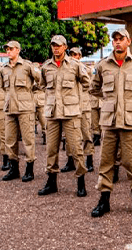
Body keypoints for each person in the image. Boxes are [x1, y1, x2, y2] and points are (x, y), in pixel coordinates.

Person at [90, 28, 132, 218]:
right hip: (110, 123)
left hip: (130, 122)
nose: (118, 42)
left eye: (121, 39)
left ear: (129, 41)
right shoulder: (103, 65)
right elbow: (94, 88)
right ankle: (104, 201)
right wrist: (109, 101)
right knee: (106, 163)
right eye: (115, 40)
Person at [37, 37, 90, 197]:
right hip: (53, 114)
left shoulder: (75, 65)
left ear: (65, 47)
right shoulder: (46, 66)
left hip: (71, 113)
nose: (56, 49)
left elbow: (87, 83)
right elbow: (42, 84)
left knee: (76, 149)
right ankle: (51, 182)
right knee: (51, 150)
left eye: (59, 46)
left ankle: (81, 182)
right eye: (53, 45)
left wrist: (76, 100)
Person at [0, 41, 39, 182]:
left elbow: (41, 81)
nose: (8, 52)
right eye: (7, 49)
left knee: (28, 140)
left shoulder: (27, 66)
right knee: (10, 140)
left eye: (11, 49)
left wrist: (30, 94)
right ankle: (13, 169)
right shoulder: (3, 69)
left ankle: (29, 170)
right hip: (10, 108)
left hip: (25, 108)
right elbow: (2, 87)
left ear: (18, 50)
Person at [69, 47, 95, 172]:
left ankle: (89, 159)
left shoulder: (85, 68)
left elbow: (90, 77)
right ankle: (70, 161)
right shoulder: (67, 68)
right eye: (72, 54)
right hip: (71, 106)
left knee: (86, 133)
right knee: (70, 136)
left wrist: (77, 65)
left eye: (76, 55)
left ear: (80, 56)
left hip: (84, 106)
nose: (74, 56)